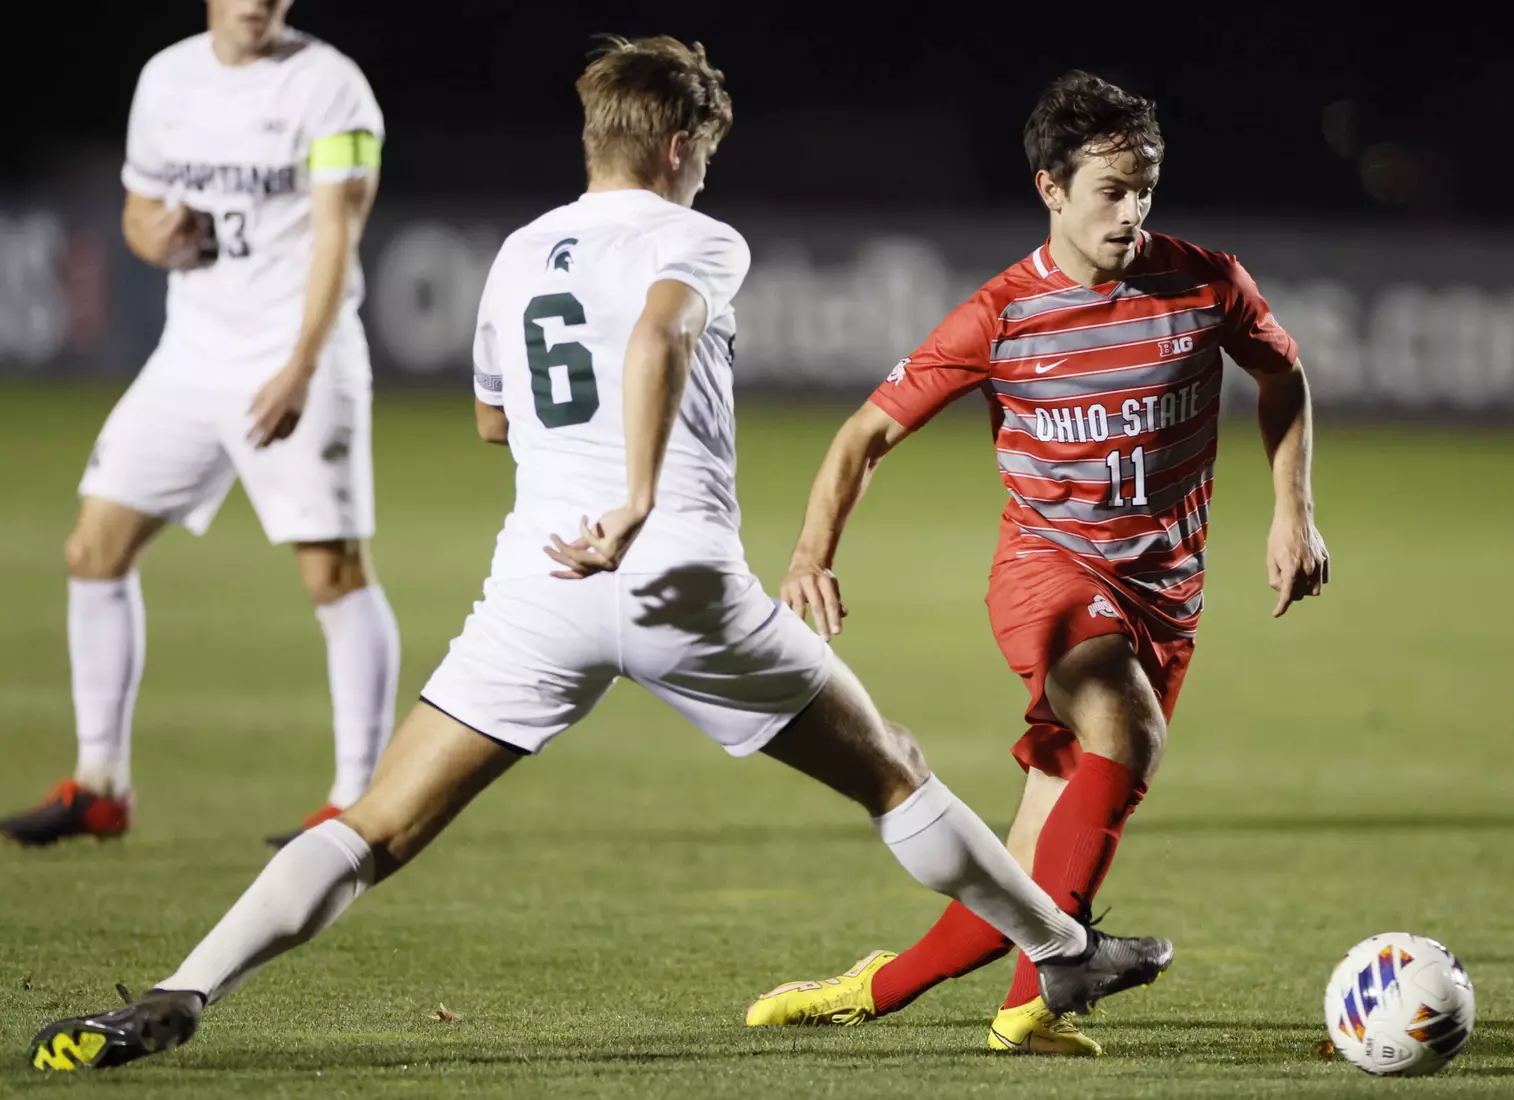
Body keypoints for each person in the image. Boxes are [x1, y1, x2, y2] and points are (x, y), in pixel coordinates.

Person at [27, 36, 1172, 1075]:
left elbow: (492, 420)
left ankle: (183, 988)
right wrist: (633, 496)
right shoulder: (698, 236)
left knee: (374, 826)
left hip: (540, 586)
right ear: (680, 146)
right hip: (678, 577)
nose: (709, 173)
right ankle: (1060, 948)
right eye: (707, 152)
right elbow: (662, 328)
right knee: (894, 772)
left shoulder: (520, 251)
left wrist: (578, 480)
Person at [745, 70, 1330, 1055]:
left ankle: (877, 991)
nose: (1132, 211)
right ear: (1051, 190)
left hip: (1164, 604)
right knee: (1125, 723)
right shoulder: (1002, 316)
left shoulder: (1206, 283)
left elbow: (1284, 374)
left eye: (1145, 187)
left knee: (1025, 873)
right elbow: (861, 438)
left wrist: (1294, 511)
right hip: (1047, 576)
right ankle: (1051, 987)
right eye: (1111, 190)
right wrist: (810, 554)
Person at [1, 0, 398, 850]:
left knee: (333, 573)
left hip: (302, 351)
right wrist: (156, 234)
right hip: (191, 356)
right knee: (93, 551)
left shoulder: (332, 88)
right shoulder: (166, 79)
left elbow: (339, 237)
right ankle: (100, 785)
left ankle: (359, 802)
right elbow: (138, 212)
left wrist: (299, 366)